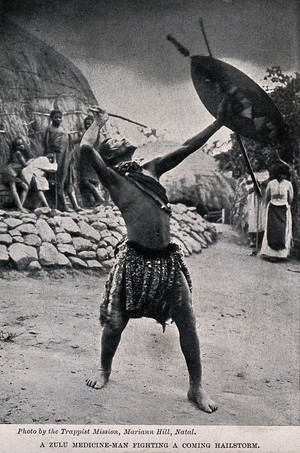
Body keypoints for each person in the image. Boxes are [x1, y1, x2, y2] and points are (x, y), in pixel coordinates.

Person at [82, 101, 232, 414]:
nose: (122, 138)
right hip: (134, 263)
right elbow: (85, 149)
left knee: (187, 321)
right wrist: (99, 122)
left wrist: (220, 121)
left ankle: (196, 387)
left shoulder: (152, 168)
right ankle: (104, 371)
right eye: (115, 139)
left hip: (167, 262)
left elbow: (189, 146)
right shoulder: (113, 180)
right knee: (114, 324)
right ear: (110, 155)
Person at [43, 109, 82, 212]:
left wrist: (79, 139)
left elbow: (70, 143)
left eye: (60, 118)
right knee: (59, 180)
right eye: (56, 117)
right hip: (57, 157)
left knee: (69, 180)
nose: (58, 119)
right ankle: (63, 206)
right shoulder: (49, 129)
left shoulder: (64, 130)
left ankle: (75, 205)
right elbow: (46, 143)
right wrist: (49, 154)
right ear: (51, 118)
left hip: (67, 157)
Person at [260, 163, 294, 261]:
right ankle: (271, 254)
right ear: (277, 174)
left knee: (282, 230)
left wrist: (285, 205)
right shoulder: (271, 183)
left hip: (284, 209)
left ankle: (281, 255)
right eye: (280, 174)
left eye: (284, 175)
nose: (282, 176)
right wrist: (269, 206)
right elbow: (267, 196)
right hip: (272, 209)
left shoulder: (288, 184)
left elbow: (290, 197)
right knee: (272, 230)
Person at [79, 115, 105, 207]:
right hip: (85, 159)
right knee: (86, 180)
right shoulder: (87, 134)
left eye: (89, 124)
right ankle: (92, 202)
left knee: (85, 180)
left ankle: (99, 198)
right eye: (86, 124)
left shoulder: (95, 134)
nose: (87, 126)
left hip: (91, 158)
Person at [3, 137, 32, 212]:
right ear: (15, 147)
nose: (21, 146)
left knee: (25, 187)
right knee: (13, 188)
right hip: (9, 171)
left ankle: (20, 207)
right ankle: (20, 207)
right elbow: (25, 164)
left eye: (22, 144)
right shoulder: (18, 153)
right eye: (19, 145)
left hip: (13, 172)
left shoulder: (17, 153)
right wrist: (32, 160)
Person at [246, 162, 269, 249]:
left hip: (262, 199)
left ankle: (261, 240)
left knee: (262, 218)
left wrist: (262, 183)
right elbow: (249, 189)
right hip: (253, 199)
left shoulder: (265, 173)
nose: (256, 165)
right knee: (253, 218)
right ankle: (252, 239)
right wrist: (255, 185)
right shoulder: (251, 175)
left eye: (257, 163)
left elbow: (268, 185)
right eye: (254, 163)